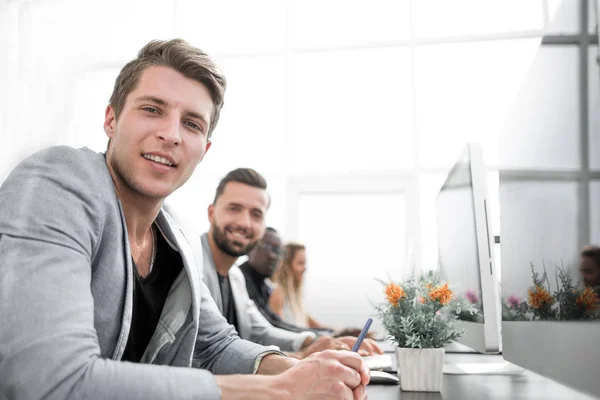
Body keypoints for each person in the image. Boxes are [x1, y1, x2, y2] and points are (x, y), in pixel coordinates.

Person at [0, 39, 369, 400]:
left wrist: (305, 371)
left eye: (192, 124)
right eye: (152, 109)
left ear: (204, 149)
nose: (171, 134)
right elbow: (46, 380)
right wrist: (281, 389)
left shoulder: (176, 234)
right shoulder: (58, 182)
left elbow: (213, 345)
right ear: (111, 119)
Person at [201, 168, 379, 358]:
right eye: (234, 209)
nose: (245, 223)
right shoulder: (191, 267)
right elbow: (208, 353)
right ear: (211, 213)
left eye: (256, 214)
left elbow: (261, 332)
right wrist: (300, 355)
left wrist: (316, 342)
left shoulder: (235, 277)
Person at [241, 227, 381, 343]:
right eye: (266, 247)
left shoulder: (263, 286)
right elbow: (272, 330)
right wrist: (325, 338)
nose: (273, 256)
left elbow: (273, 325)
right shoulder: (248, 283)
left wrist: (335, 334)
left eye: (278, 251)